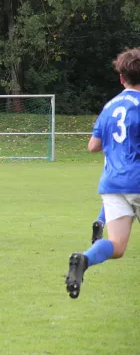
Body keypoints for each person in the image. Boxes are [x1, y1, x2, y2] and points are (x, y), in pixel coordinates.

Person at [66, 47, 140, 299]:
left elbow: (92, 146)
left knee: (117, 246)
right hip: (137, 180)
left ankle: (84, 259)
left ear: (122, 78)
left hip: (112, 184)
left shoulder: (109, 106)